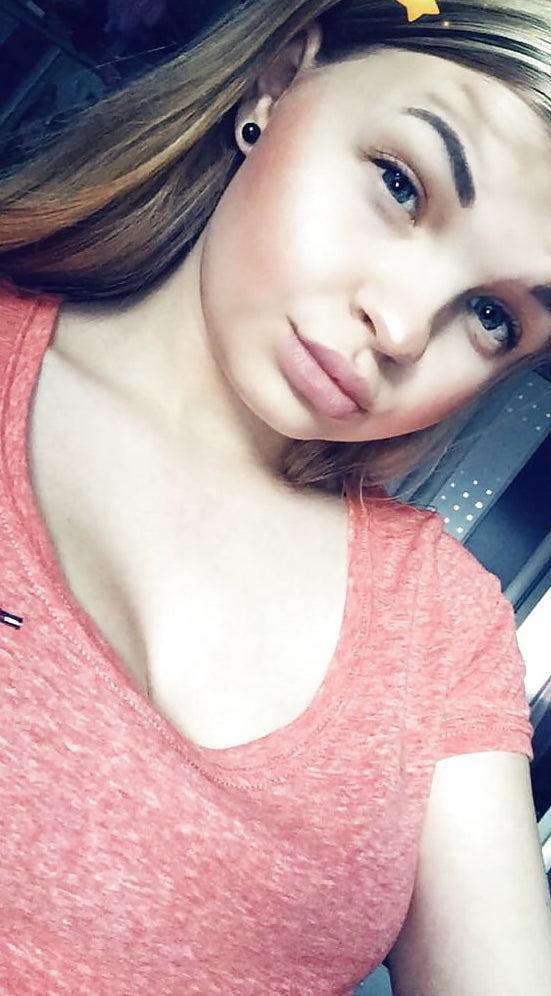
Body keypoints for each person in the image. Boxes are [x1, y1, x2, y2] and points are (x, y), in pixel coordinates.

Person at [0, 1, 550, 993]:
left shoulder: (441, 630)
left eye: (489, 314)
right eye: (400, 184)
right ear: (276, 81)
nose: (399, 326)